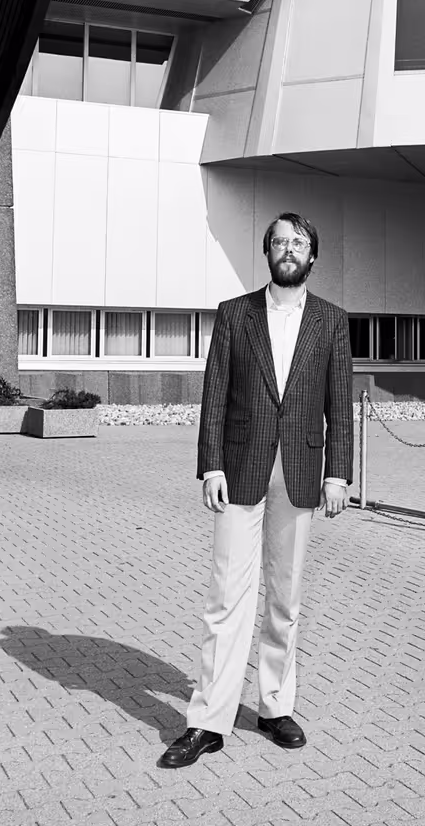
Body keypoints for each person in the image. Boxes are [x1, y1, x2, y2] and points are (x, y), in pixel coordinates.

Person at [159, 212, 353, 770]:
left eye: (299, 242)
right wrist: (210, 465)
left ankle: (274, 706)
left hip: (299, 473)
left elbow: (340, 404)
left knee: (284, 600)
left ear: (312, 256)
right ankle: (207, 721)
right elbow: (214, 394)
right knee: (226, 598)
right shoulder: (235, 314)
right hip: (241, 470)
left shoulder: (333, 322)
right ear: (266, 253)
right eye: (279, 241)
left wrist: (338, 473)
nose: (288, 249)